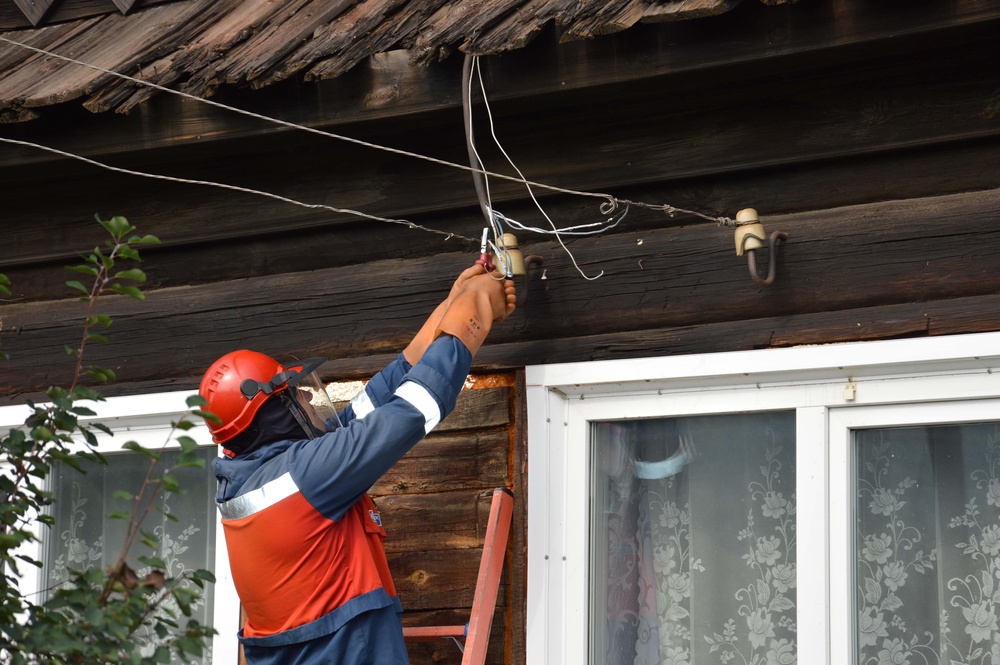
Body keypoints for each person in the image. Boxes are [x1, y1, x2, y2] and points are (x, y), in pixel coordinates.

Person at [198, 263, 516, 665]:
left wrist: (452, 305)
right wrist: (473, 316)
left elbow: (370, 405)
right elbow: (413, 408)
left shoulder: (259, 480)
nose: (309, 398)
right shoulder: (305, 477)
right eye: (294, 395)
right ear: (272, 416)